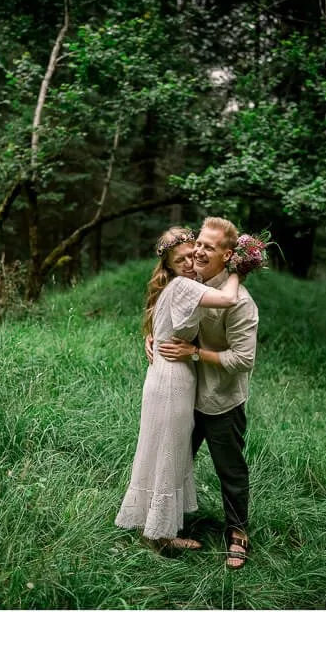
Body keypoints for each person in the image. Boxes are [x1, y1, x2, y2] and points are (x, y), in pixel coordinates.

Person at [115, 226, 241, 554]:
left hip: (164, 376)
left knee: (161, 452)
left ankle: (154, 527)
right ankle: (160, 536)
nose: (188, 263)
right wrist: (239, 269)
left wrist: (153, 338)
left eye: (190, 256)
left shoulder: (175, 286)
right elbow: (229, 299)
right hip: (173, 380)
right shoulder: (183, 285)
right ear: (169, 265)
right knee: (169, 454)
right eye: (179, 260)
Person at [152, 217, 258, 569]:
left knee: (231, 471)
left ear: (227, 256)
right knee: (174, 460)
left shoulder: (240, 303)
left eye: (208, 248)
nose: (198, 251)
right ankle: (163, 527)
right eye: (198, 243)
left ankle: (238, 534)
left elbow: (243, 359)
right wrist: (152, 336)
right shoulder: (188, 281)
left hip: (220, 400)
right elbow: (163, 310)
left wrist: (195, 353)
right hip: (183, 392)